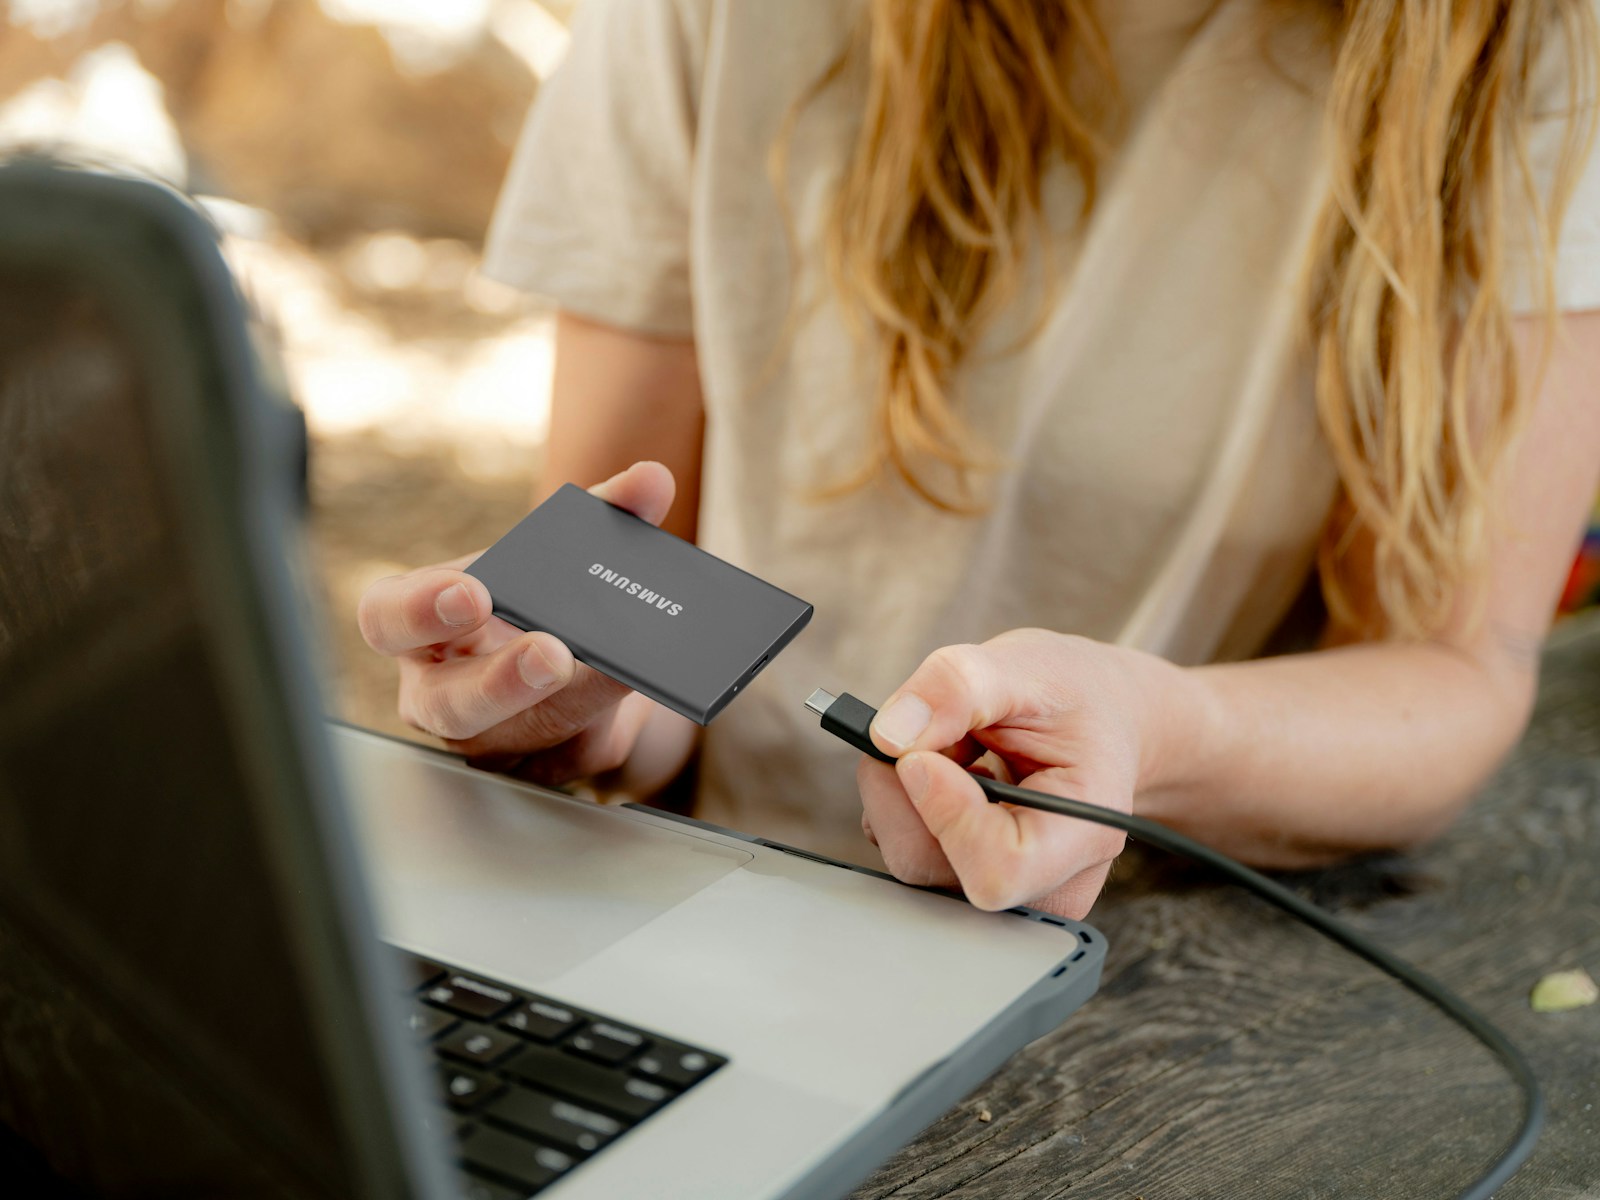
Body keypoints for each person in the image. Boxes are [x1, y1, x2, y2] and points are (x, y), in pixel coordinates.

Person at [357, 0, 1600, 920]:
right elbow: (623, 600)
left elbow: (1452, 666)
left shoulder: (1525, 57)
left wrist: (1160, 735)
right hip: (704, 887)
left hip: (1156, 945)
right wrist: (570, 700)